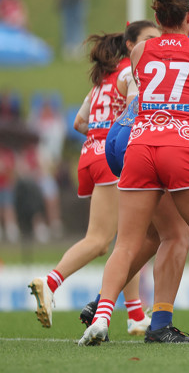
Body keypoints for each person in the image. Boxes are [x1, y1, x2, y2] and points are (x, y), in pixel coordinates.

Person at [78, 0, 189, 346]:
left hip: (138, 144)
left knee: (125, 243)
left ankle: (102, 315)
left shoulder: (140, 50)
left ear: (156, 18)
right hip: (180, 145)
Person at [28, 20, 160, 336]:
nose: (156, 43)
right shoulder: (130, 74)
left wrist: (100, 136)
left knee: (124, 240)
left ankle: (135, 315)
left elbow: (78, 122)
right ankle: (49, 282)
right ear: (131, 46)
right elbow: (133, 114)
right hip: (112, 159)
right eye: (150, 38)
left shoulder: (101, 82)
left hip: (89, 156)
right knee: (102, 241)